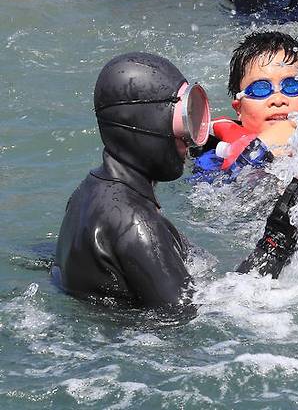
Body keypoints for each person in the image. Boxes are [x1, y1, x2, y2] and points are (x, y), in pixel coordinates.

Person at [51, 52, 212, 309]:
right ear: (143, 123)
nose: (190, 137)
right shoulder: (136, 222)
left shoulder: (88, 190)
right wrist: (277, 240)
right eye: (185, 120)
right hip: (139, 343)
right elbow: (196, 315)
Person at [192, 31, 298, 183]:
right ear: (239, 110)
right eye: (260, 89)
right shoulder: (213, 160)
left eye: (292, 86)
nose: (278, 100)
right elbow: (216, 199)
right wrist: (260, 149)